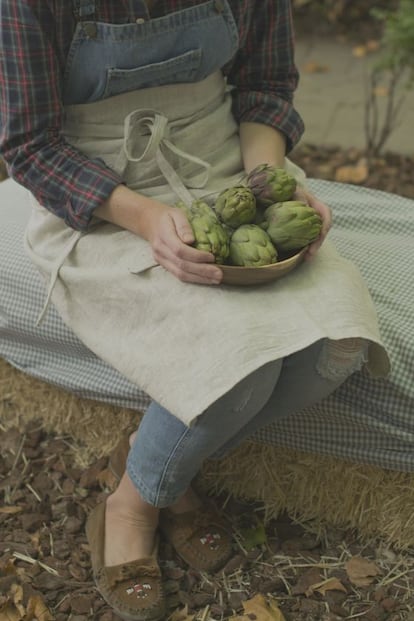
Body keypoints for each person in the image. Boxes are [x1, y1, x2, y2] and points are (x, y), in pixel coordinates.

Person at [0, 1, 389, 620]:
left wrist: (266, 192)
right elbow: (30, 146)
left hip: (223, 166)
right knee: (245, 369)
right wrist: (149, 219)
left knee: (333, 350)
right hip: (103, 197)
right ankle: (135, 501)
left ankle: (151, 456)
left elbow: (265, 88)